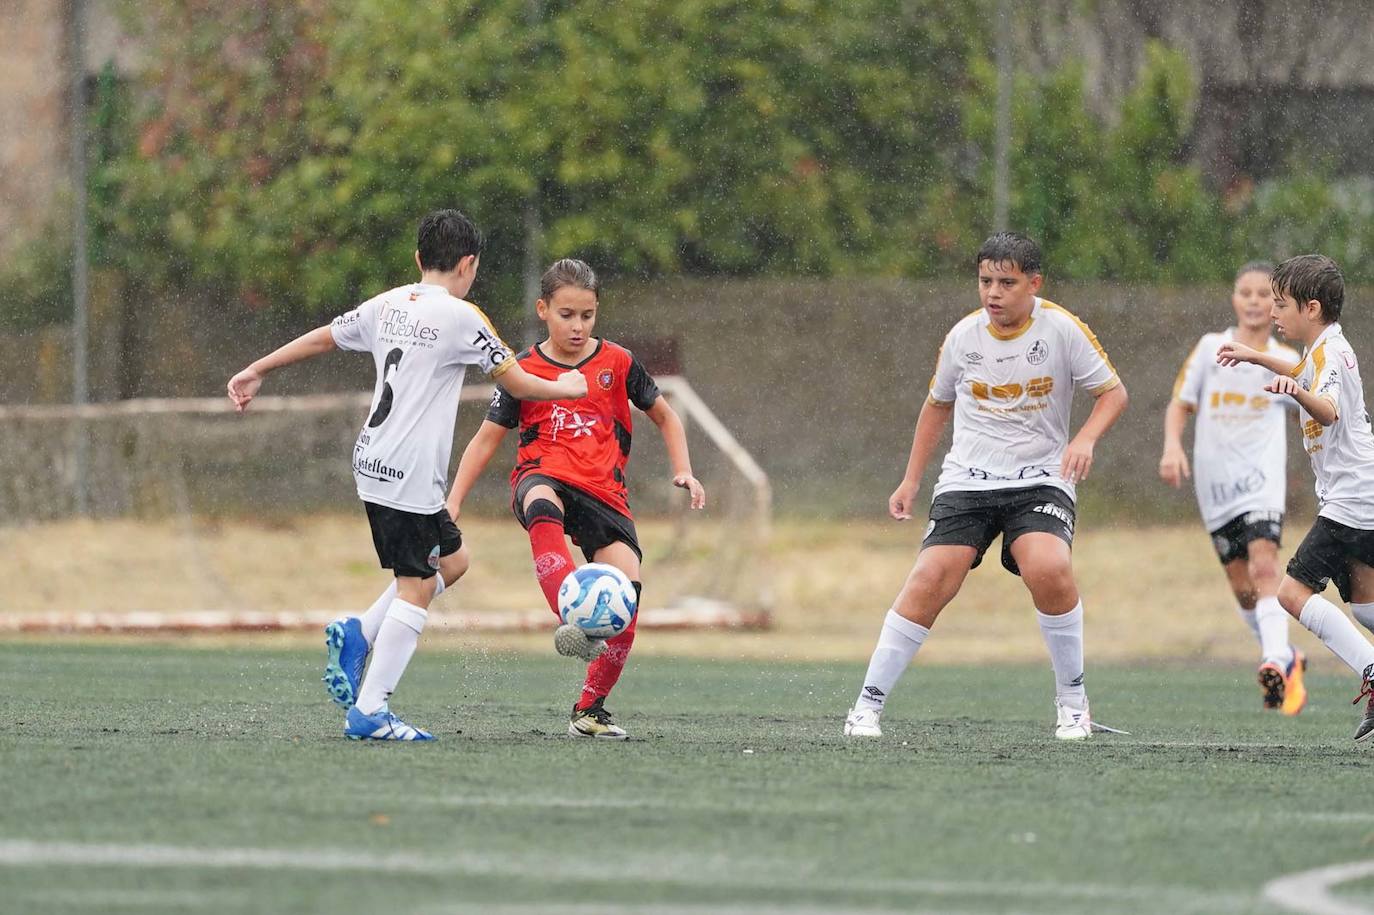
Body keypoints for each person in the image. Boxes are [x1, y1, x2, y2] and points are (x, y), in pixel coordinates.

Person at [226, 209, 586, 741]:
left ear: (420, 259)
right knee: (415, 587)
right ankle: (371, 710)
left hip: (372, 460)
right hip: (409, 473)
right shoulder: (464, 316)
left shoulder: (388, 303)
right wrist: (569, 387)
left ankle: (359, 633)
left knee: (454, 561)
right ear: (469, 264)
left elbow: (324, 336)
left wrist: (258, 367)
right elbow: (520, 384)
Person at [843, 231, 1129, 741]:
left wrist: (1084, 439)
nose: (993, 293)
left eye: (1006, 282)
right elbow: (937, 406)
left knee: (1050, 567)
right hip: (968, 480)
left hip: (1041, 479)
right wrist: (911, 479)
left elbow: (1112, 393)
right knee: (931, 576)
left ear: (1034, 284)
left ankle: (1072, 703)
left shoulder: (1062, 330)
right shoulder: (962, 338)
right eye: (984, 281)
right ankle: (866, 706)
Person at [446, 258, 705, 740]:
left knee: (628, 597)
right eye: (567, 314)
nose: (578, 326)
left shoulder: (619, 363)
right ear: (543, 310)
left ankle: (589, 711)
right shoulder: (522, 370)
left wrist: (684, 471)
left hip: (604, 492)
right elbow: (485, 439)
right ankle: (573, 616)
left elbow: (666, 417)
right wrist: (454, 500)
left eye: (587, 315)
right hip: (542, 474)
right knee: (542, 503)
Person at [1217, 254, 1374, 740]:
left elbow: (1325, 409)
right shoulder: (1324, 349)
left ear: (1311, 307)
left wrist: (1293, 390)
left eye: (1280, 304)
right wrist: (1257, 356)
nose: (1273, 313)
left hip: (1354, 498)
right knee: (1366, 607)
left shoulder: (1329, 354)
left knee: (1290, 592)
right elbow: (1304, 373)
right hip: (1358, 493)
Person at [1160, 261, 1306, 714]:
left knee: (1266, 567)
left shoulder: (1284, 359)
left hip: (1261, 480)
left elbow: (1314, 398)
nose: (1256, 301)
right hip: (1215, 484)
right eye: (1247, 292)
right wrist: (1172, 447)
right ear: (1234, 299)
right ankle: (1287, 657)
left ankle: (1274, 661)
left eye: (1266, 294)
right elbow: (1180, 404)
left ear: (1277, 304)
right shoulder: (1211, 348)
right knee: (1243, 588)